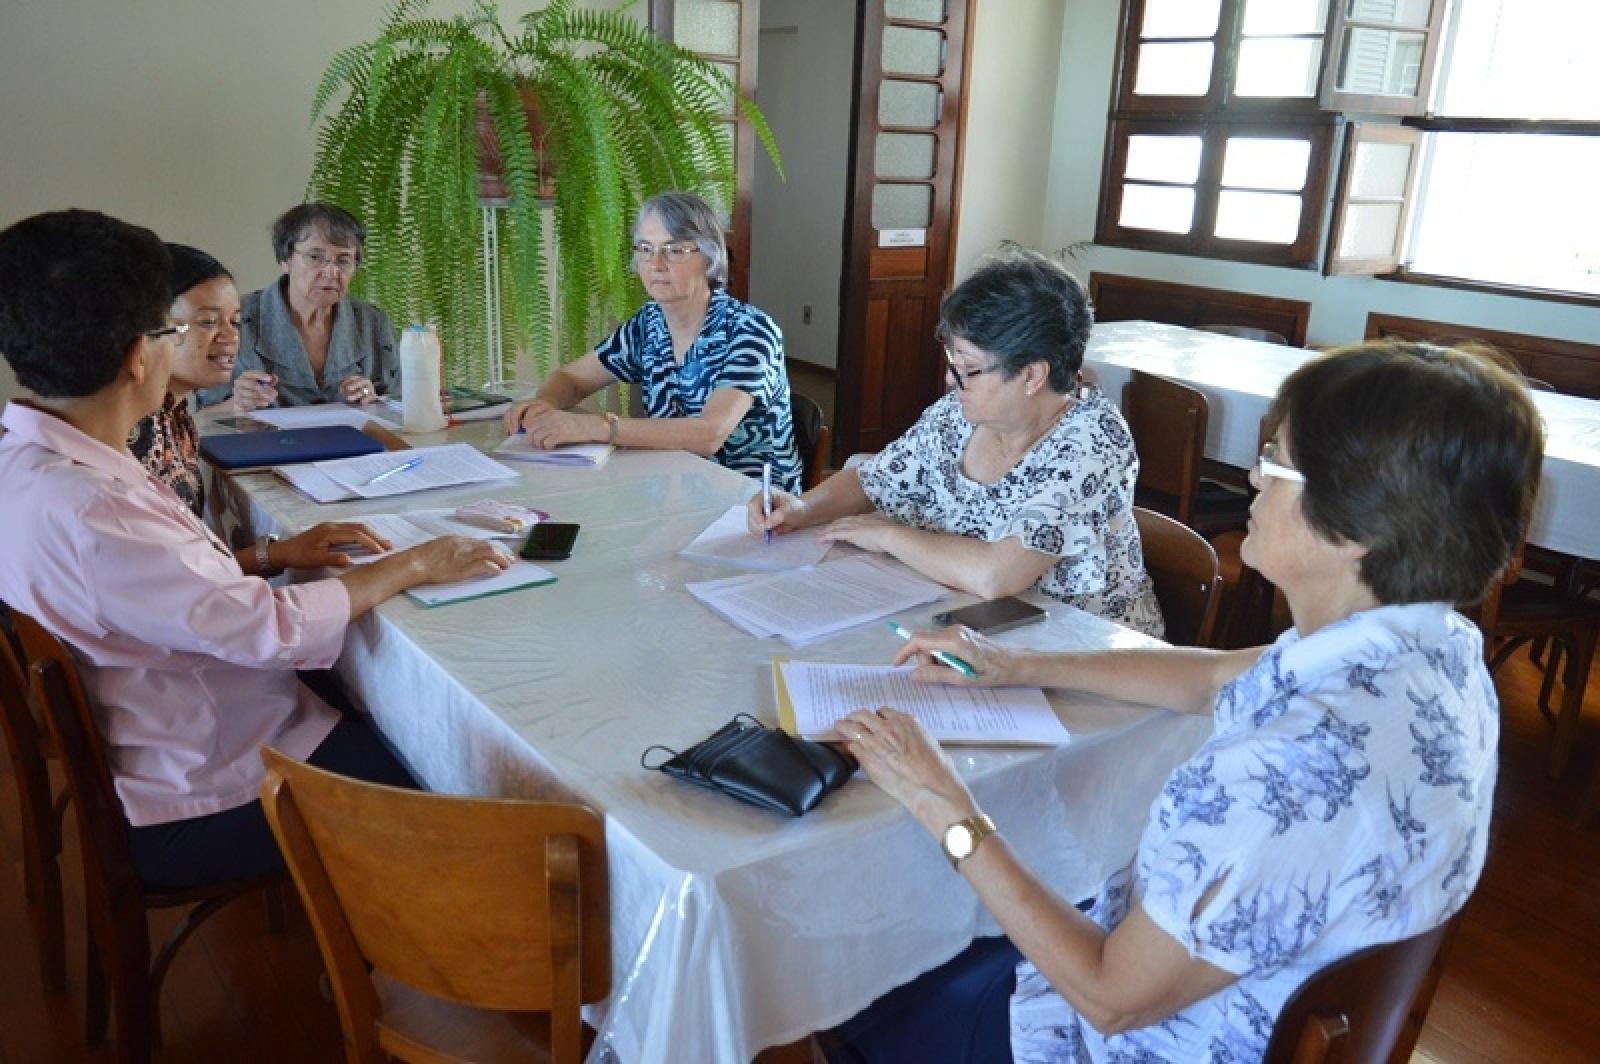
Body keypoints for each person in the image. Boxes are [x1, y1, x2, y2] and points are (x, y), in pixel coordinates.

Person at [826, 341, 1543, 1062]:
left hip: (1126, 1032)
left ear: (1360, 526)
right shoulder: (1436, 648)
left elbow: (1109, 999)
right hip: (1233, 990)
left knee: (857, 975)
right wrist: (1014, 663)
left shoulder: (1282, 768)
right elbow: (1210, 676)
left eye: (1280, 463)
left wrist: (944, 804)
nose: (1256, 478)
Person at [0, 209, 512, 891]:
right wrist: (415, 562)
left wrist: (271, 559)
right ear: (137, 354)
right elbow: (268, 630)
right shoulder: (96, 510)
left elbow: (185, 591)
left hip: (175, 727)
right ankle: (396, 968)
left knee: (379, 692)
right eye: (176, 328)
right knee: (449, 762)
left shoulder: (33, 461)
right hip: (210, 778)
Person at [749, 249, 1162, 637]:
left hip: (1077, 646)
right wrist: (802, 509)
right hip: (970, 621)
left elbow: (997, 575)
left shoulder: (1092, 442)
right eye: (953, 363)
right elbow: (874, 480)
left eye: (968, 368)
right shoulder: (960, 416)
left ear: (1033, 376)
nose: (951, 380)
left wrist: (889, 535)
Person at [502, 191, 803, 491]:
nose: (655, 263)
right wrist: (544, 406)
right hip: (673, 488)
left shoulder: (750, 330)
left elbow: (709, 434)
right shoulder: (649, 324)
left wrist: (596, 426)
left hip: (752, 506)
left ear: (709, 257)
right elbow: (572, 378)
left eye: (674, 250)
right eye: (645, 249)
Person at [127, 244, 384, 583]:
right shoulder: (133, 433)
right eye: (207, 322)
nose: (230, 338)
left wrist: (278, 553)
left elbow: (188, 567)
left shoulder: (173, 415)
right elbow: (166, 584)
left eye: (235, 322)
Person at [198, 202, 398, 410]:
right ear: (285, 260)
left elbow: (400, 410)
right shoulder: (237, 319)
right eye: (315, 257)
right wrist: (235, 404)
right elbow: (195, 423)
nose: (331, 272)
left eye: (343, 261)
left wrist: (374, 401)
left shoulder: (373, 323)